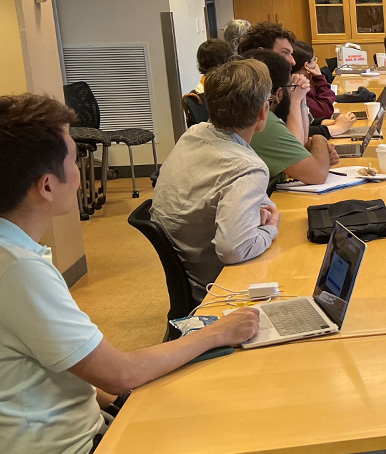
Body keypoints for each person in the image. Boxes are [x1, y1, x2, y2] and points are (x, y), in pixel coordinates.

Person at [0, 92, 260, 453]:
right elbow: (119, 373)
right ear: (46, 186)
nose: (79, 171)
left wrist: (111, 399)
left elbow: (53, 359)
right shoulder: (19, 270)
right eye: (75, 160)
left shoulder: (12, 253)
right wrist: (216, 333)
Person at [152, 59, 282, 298]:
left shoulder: (194, 134)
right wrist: (270, 229)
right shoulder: (247, 167)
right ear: (262, 111)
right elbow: (233, 249)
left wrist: (251, 215)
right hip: (219, 286)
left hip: (191, 269)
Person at [241, 49, 337, 189]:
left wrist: (301, 98)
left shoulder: (249, 114)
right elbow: (317, 174)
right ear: (279, 93)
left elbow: (301, 145)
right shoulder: (263, 122)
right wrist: (319, 139)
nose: (292, 60)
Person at [290, 41, 355, 137]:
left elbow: (311, 119)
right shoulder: (296, 87)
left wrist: (332, 122)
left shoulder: (303, 82)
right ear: (306, 66)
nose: (317, 62)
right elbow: (324, 111)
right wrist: (320, 78)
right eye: (315, 59)